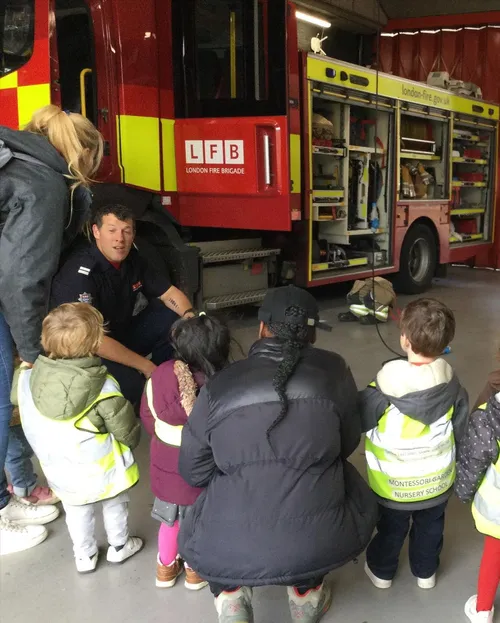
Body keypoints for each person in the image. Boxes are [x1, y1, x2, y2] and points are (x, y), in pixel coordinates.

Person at [178, 285, 377, 623]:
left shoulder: (220, 386)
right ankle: (305, 593)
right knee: (340, 474)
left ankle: (231, 595)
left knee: (211, 494)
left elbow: (193, 471)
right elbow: (346, 444)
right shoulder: (335, 371)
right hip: (321, 539)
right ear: (312, 334)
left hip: (226, 543)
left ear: (261, 328)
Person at [0, 105, 103, 554]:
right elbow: (22, 278)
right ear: (80, 153)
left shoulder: (19, 159)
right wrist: (30, 350)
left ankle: (7, 499)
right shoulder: (42, 185)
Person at [17, 303, 143, 573]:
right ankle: (119, 546)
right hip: (101, 467)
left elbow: (18, 398)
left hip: (60, 466)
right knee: (114, 503)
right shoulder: (103, 387)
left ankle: (84, 556)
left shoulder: (29, 377)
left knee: (76, 509)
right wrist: (134, 438)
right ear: (96, 343)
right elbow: (125, 429)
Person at [360, 298, 468, 591]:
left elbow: (361, 422)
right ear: (446, 343)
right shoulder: (454, 388)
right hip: (436, 482)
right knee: (431, 528)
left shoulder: (380, 390)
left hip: (392, 485)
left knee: (391, 528)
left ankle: (382, 572)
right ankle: (426, 572)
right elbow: (460, 431)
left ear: (404, 340)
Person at [51, 204, 195, 405]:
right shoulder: (81, 274)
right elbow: (94, 340)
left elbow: (168, 293)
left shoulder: (133, 260)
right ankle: (148, 388)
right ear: (96, 231)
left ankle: (164, 379)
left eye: (126, 231)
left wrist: (193, 321)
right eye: (112, 230)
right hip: (87, 351)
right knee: (133, 387)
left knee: (173, 317)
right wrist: (145, 366)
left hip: (119, 334)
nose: (120, 239)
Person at [140, 313, 231, 590]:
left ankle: (165, 568)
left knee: (169, 522)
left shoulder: (159, 374)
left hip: (164, 469)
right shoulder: (218, 385)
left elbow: (147, 415)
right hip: (199, 474)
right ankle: (194, 569)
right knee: (197, 522)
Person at [455, 363, 500, 622]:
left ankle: (483, 611)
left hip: (497, 514)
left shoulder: (487, 417)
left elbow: (473, 461)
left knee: (493, 557)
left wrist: (463, 492)